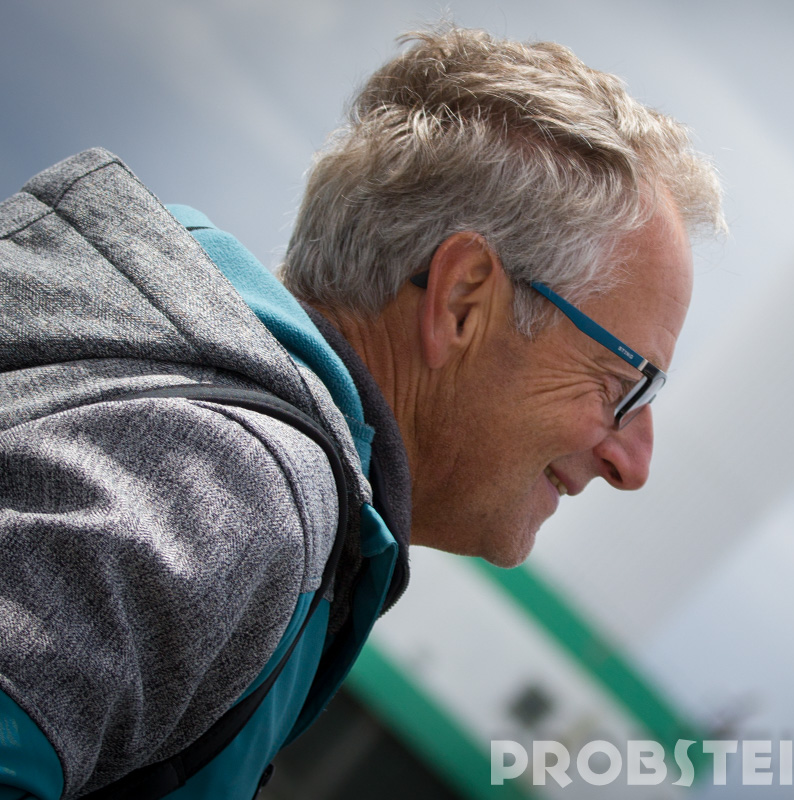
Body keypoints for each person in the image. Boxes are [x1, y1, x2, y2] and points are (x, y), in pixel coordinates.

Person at [0, 25, 723, 800]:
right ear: (463, 300)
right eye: (623, 387)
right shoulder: (233, 493)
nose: (633, 463)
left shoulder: (163, 406)